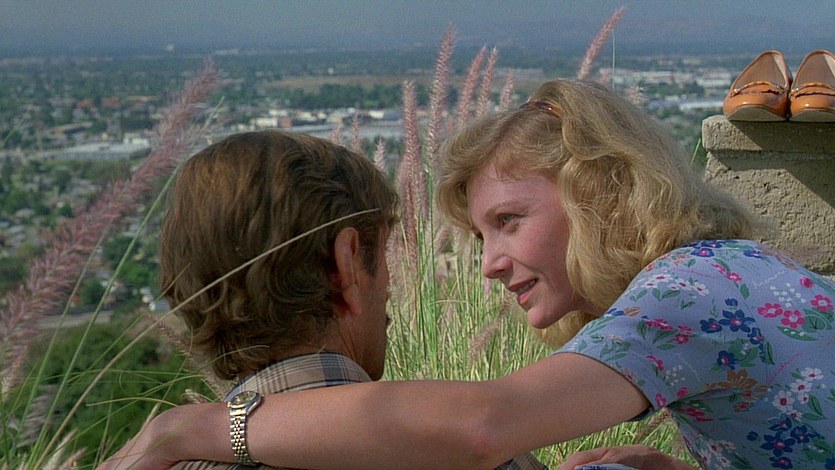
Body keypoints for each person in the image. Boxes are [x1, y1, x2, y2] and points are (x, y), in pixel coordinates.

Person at [101, 80, 835, 469]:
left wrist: (195, 428)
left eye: (509, 220)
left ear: (600, 190)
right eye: (481, 234)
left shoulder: (690, 292)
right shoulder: (728, 273)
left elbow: (483, 427)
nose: (488, 263)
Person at [107, 129, 545, 470]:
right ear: (347, 263)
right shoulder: (470, 451)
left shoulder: (144, 460)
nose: (390, 284)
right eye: (384, 254)